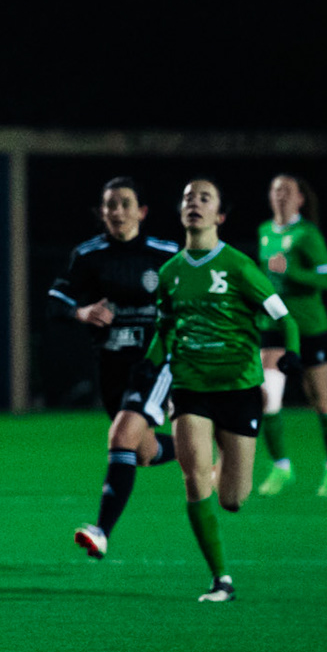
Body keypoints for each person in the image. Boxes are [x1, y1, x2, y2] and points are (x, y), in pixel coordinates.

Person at [131, 178, 300, 602]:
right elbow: (165, 329)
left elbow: (286, 319)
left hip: (239, 389)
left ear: (219, 216)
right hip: (190, 387)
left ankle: (203, 457)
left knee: (232, 499)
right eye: (188, 197)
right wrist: (150, 363)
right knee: (195, 483)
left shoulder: (241, 267)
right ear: (181, 211)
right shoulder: (170, 273)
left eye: (205, 198)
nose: (195, 203)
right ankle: (221, 579)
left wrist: (292, 353)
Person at [51, 176, 183, 561]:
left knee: (121, 437)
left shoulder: (167, 254)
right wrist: (82, 312)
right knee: (142, 451)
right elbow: (55, 304)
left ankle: (101, 532)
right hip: (112, 369)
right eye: (110, 205)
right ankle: (200, 447)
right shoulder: (88, 256)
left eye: (125, 204)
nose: (117, 212)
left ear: (141, 211)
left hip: (155, 363)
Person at [255, 173, 327, 497]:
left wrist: (289, 271)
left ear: (300, 198)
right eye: (275, 189)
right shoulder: (265, 231)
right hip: (274, 327)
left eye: (287, 190)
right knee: (267, 399)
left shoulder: (307, 234)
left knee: (319, 400)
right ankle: (281, 467)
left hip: (308, 328)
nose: (280, 195)